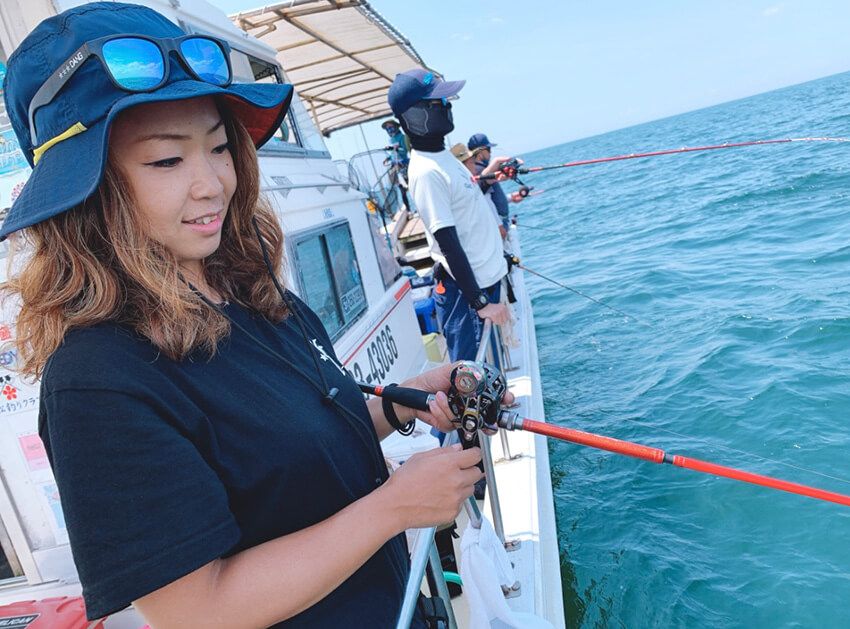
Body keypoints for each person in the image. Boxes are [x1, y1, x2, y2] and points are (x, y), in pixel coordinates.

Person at [0, 4, 509, 627]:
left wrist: (400, 403)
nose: (214, 182)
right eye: (167, 160)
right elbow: (193, 609)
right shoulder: (98, 380)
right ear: (89, 192)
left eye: (219, 148)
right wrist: (394, 509)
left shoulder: (259, 299)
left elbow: (287, 455)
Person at [389, 69, 511, 362]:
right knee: (471, 377)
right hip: (467, 295)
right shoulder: (426, 172)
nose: (447, 106)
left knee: (489, 378)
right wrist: (480, 302)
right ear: (413, 116)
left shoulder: (443, 157)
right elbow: (447, 241)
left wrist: (490, 179)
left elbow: (462, 193)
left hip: (484, 283)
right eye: (436, 102)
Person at [467, 133, 525, 233]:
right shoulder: (479, 171)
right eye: (488, 150)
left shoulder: (482, 170)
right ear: (480, 152)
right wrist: (499, 227)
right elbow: (486, 201)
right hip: (498, 227)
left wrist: (511, 198)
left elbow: (490, 197)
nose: (490, 153)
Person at [381, 118, 411, 211]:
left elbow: (404, 150)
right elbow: (393, 153)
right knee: (401, 190)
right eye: (387, 128)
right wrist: (388, 158)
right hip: (395, 167)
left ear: (396, 127)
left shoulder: (402, 137)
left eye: (391, 127)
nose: (389, 130)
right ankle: (408, 209)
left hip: (403, 165)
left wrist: (396, 148)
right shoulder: (391, 139)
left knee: (410, 186)